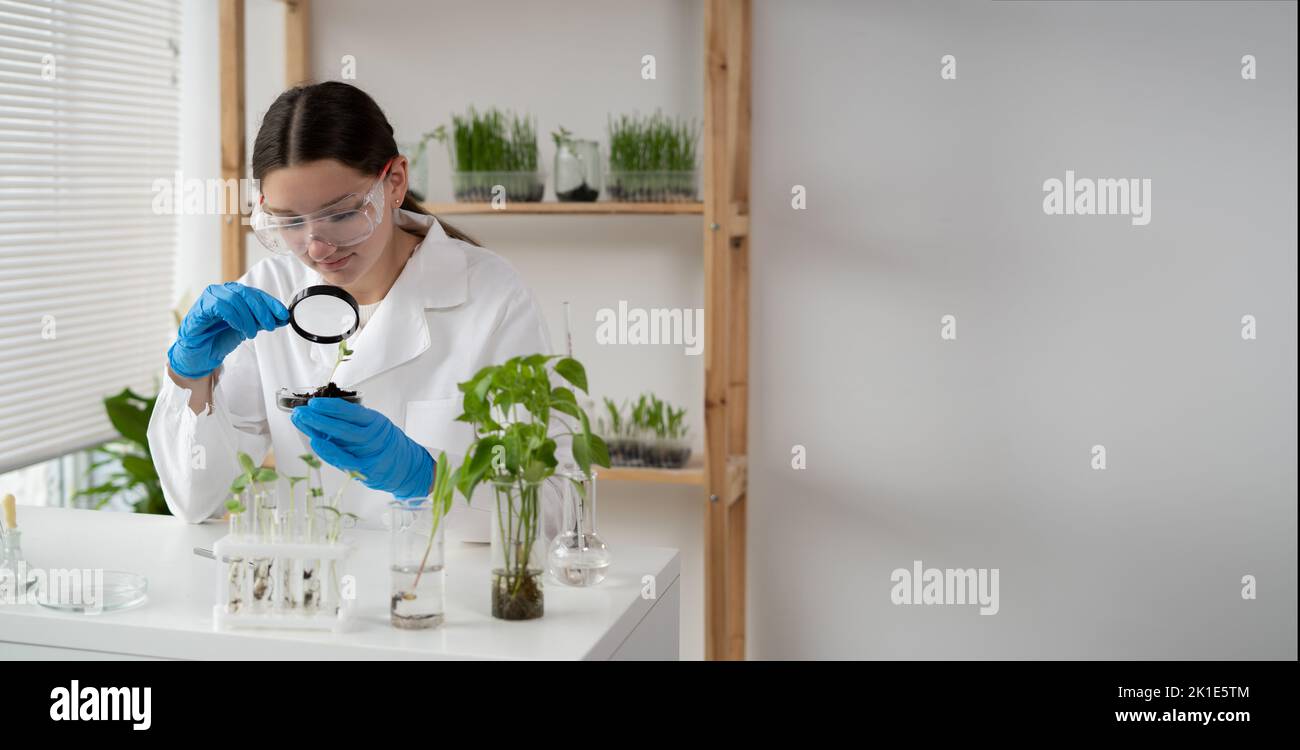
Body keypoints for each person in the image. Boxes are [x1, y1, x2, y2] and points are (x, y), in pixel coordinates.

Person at [146, 81, 553, 540]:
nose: (317, 246)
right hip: (314, 593)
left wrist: (427, 479)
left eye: (341, 214)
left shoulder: (494, 296)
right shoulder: (267, 290)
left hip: (439, 594)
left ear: (394, 181)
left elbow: (553, 507)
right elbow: (196, 502)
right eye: (290, 221)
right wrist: (190, 377)